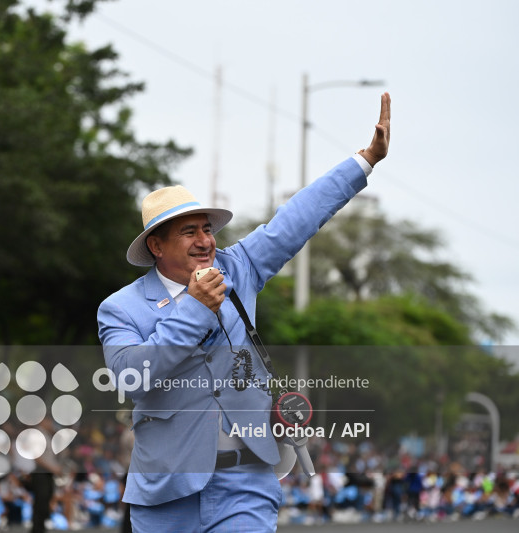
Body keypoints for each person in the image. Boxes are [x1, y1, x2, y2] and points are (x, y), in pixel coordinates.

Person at [97, 94, 391, 532]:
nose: (205, 241)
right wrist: (196, 309)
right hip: (165, 495)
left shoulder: (238, 268)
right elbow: (132, 379)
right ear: (156, 246)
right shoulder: (119, 308)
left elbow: (295, 219)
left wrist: (364, 161)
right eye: (188, 232)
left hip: (246, 483)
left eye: (208, 229)